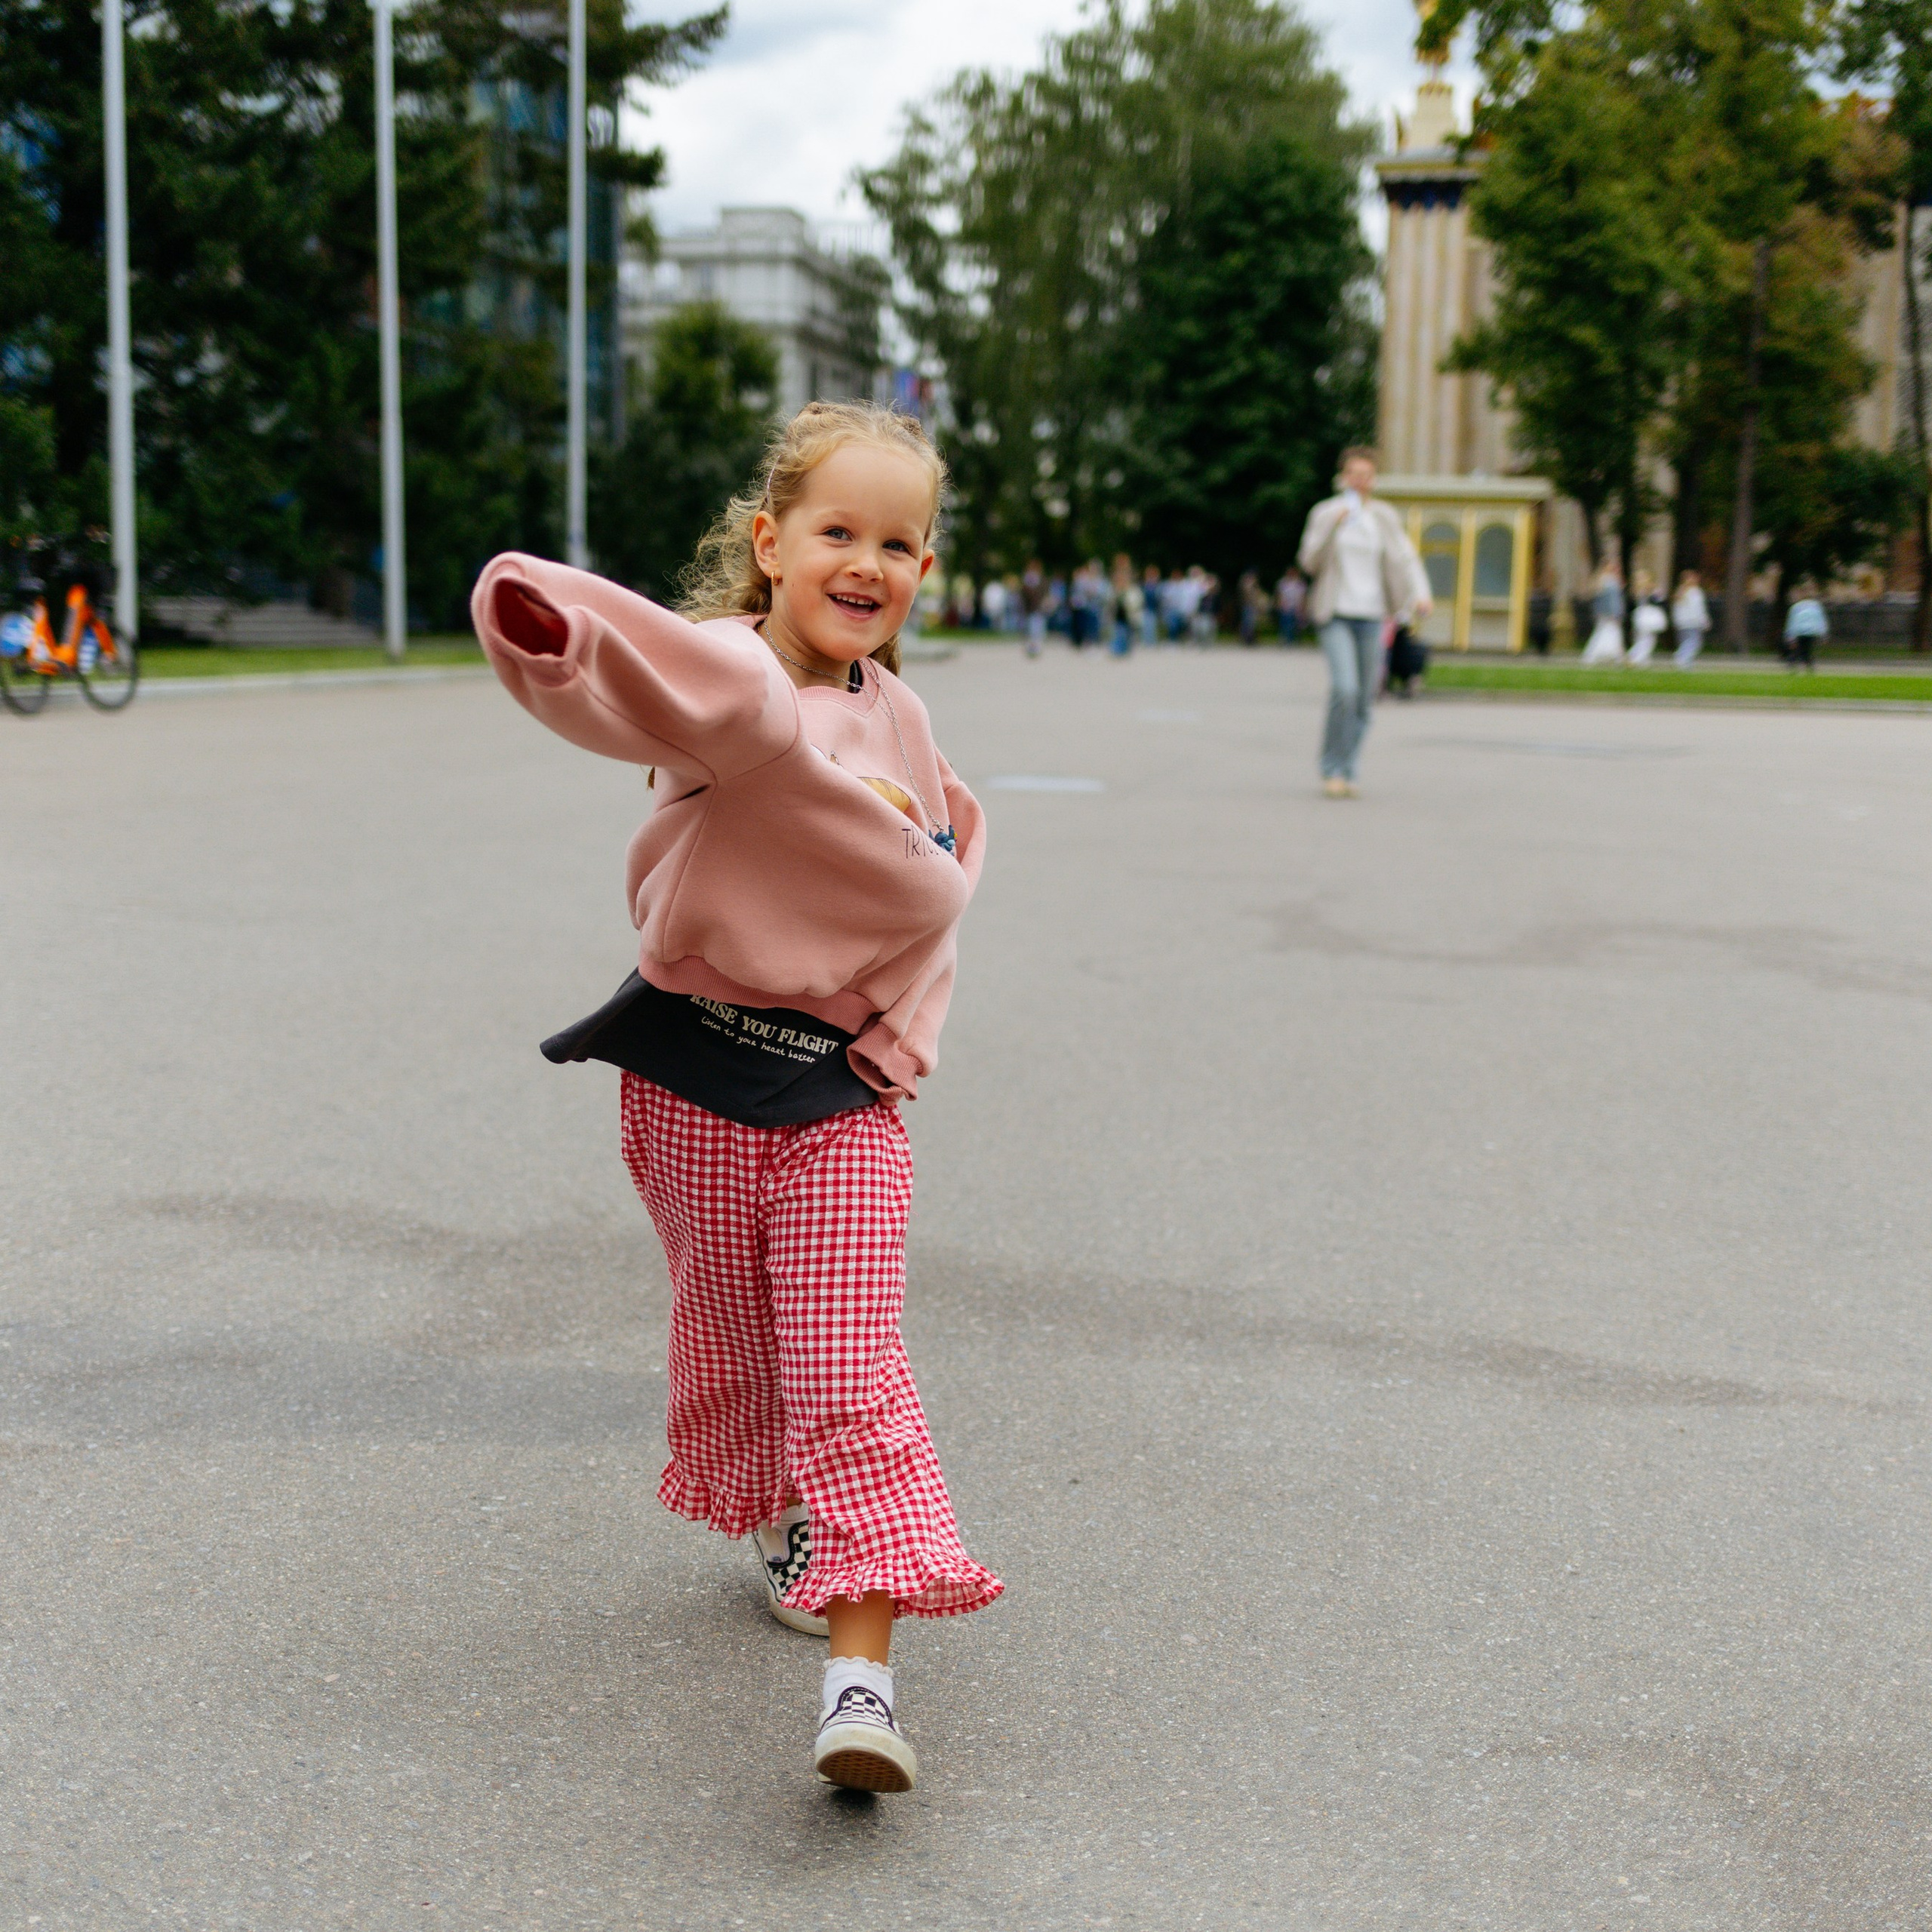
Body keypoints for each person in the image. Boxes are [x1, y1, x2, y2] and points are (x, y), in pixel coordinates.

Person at [469, 401, 1000, 1798]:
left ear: (924, 571)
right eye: (838, 531)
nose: (866, 562)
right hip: (691, 1080)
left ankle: (862, 1684)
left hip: (837, 1095)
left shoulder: (904, 709)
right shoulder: (734, 679)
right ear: (772, 545)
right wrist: (550, 627)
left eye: (899, 542)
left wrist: (898, 1041)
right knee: (736, 1337)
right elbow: (628, 678)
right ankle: (781, 1521)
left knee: (850, 1371)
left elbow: (943, 881)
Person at [1296, 446, 1432, 797]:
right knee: (1345, 688)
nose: (1360, 481)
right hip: (1335, 614)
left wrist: (1421, 593)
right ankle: (1331, 767)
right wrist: (1332, 526)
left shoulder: (1383, 516)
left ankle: (1349, 768)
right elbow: (1309, 561)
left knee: (1364, 698)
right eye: (1354, 473)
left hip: (1373, 616)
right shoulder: (1325, 512)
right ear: (1342, 477)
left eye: (1367, 475)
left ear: (1374, 480)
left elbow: (1406, 557)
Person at [1580, 560, 1626, 663]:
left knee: (1608, 633)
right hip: (1608, 614)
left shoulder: (1611, 580)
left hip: (1609, 613)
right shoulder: (1606, 581)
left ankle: (1612, 655)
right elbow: (1608, 601)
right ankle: (1596, 655)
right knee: (1606, 633)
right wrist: (1613, 613)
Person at [1783, 584, 1827, 669]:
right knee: (1807, 649)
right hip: (1811, 632)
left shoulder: (1796, 607)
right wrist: (1823, 633)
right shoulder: (1816, 607)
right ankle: (1807, 663)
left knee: (1800, 648)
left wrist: (1790, 635)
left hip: (1800, 631)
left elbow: (1792, 621)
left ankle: (1795, 662)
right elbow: (1821, 621)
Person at [1671, 571, 1709, 665]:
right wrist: (1704, 621)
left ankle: (1686, 660)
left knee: (1687, 641)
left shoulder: (1680, 591)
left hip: (1683, 622)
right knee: (1694, 642)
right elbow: (1699, 609)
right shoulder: (1696, 592)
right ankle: (1682, 656)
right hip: (1693, 622)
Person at [1627, 573, 1667, 665]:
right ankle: (1636, 658)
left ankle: (1639, 658)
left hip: (1643, 616)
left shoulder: (1641, 590)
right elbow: (1659, 600)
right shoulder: (1646, 591)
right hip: (1647, 617)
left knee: (1643, 638)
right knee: (1647, 639)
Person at [1108, 552, 1142, 656]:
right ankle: (1118, 650)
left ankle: (1124, 650)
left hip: (1127, 610)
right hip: (1118, 610)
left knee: (1126, 631)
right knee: (1118, 630)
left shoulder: (1129, 576)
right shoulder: (1115, 575)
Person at [1020, 558, 1049, 657]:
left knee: (1037, 627)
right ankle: (1031, 646)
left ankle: (1035, 646)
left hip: (1038, 608)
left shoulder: (1042, 579)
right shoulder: (1026, 580)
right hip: (1029, 608)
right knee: (1030, 627)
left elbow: (1044, 593)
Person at [1275, 567, 1306, 645]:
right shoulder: (1283, 583)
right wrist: (1280, 604)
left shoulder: (1300, 583)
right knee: (1285, 624)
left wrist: (1302, 607)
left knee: (1296, 625)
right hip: (1286, 606)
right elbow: (1279, 595)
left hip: (1296, 607)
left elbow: (1303, 596)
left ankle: (1294, 640)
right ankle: (1286, 639)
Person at [1140, 564, 1164, 648]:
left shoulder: (1158, 586)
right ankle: (1147, 642)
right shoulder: (1144, 585)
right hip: (1146, 608)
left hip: (1155, 608)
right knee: (1147, 626)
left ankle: (1152, 642)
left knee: (1153, 625)